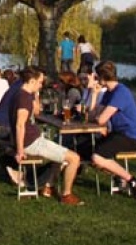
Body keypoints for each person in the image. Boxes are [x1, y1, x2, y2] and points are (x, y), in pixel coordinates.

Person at [10, 66, 83, 206]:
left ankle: (48, 187)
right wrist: (20, 151)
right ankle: (67, 195)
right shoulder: (24, 98)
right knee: (74, 158)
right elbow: (20, 125)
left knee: (60, 156)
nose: (41, 85)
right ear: (31, 81)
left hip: (33, 139)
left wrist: (36, 93)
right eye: (39, 82)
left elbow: (37, 111)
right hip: (31, 143)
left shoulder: (22, 93)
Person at [81, 61, 136, 199]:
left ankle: (132, 180)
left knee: (97, 157)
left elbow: (101, 119)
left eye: (97, 77)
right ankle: (120, 176)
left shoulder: (120, 92)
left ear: (103, 78)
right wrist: (94, 93)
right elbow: (92, 115)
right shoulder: (109, 93)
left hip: (131, 136)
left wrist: (97, 117)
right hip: (117, 134)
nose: (96, 79)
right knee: (86, 150)